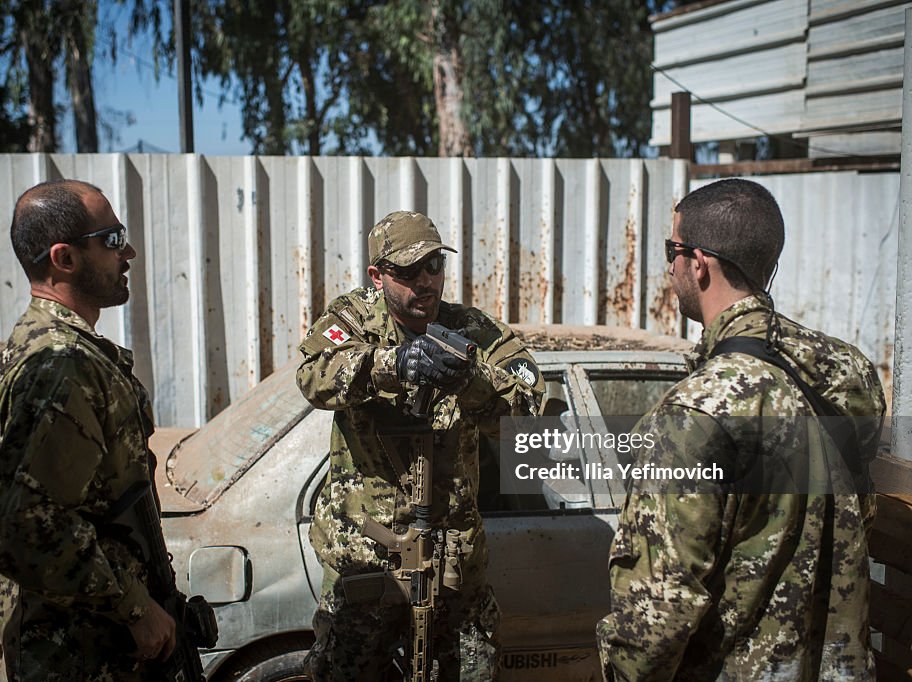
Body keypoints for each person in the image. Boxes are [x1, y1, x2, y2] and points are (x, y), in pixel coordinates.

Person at [596, 179, 885, 680]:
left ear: (700, 263)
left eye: (673, 250)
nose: (669, 267)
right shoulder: (849, 372)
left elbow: (656, 617)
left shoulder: (693, 412)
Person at [297, 210, 544, 680]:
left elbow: (528, 401)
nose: (425, 282)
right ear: (377, 276)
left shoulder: (470, 330)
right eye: (408, 272)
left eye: (434, 266)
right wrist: (395, 363)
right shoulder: (352, 320)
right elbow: (314, 376)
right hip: (368, 570)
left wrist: (472, 379)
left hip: (454, 575)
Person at [0, 180, 177, 680]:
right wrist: (135, 607)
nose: (128, 251)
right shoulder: (59, 365)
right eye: (112, 239)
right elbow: (22, 525)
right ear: (64, 258)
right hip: (76, 652)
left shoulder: (67, 350)